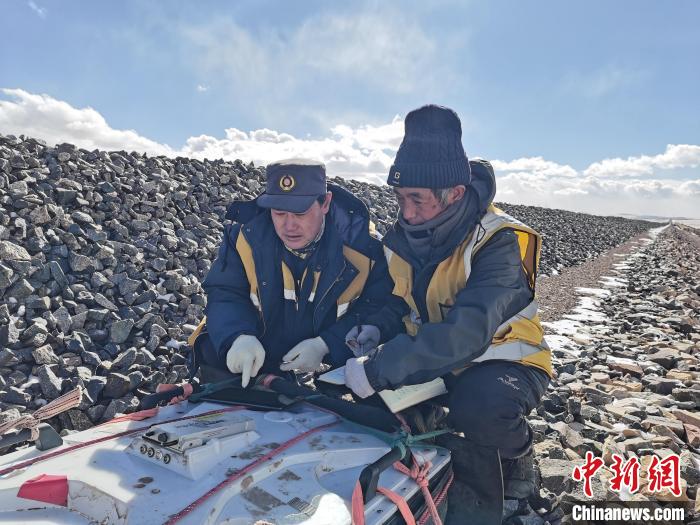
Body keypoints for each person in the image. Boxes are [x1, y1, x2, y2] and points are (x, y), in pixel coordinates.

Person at [343, 105, 553, 500]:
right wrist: (375, 328)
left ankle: (520, 453)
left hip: (503, 362)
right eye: (400, 198)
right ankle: (431, 426)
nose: (407, 213)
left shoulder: (499, 240)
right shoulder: (404, 236)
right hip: (438, 360)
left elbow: (469, 331)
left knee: (480, 409)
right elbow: (399, 302)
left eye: (417, 199)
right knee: (369, 399)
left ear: (455, 193)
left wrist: (381, 367)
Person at [188, 159, 391, 387]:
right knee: (214, 349)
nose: (289, 226)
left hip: (330, 351)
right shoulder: (244, 239)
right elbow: (225, 293)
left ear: (325, 203)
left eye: (300, 213)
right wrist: (237, 336)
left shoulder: (364, 250)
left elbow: (377, 308)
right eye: (279, 213)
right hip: (260, 344)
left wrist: (326, 344)